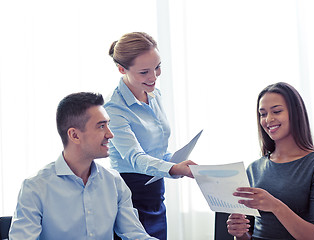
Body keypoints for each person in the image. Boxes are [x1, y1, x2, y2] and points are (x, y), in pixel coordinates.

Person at [9, 92, 157, 240]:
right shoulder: (35, 187)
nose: (110, 134)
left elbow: (135, 235)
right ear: (74, 135)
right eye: (101, 126)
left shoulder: (114, 182)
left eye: (108, 125)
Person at [105, 32, 196, 240]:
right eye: (144, 72)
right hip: (130, 194)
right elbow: (134, 157)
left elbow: (157, 151)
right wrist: (173, 168)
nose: (154, 76)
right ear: (121, 69)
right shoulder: (113, 108)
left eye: (157, 67)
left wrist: (176, 161)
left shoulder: (154, 94)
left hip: (155, 190)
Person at [226, 82, 314, 240]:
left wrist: (275, 206)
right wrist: (240, 233)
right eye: (263, 114)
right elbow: (248, 235)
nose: (268, 119)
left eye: (276, 111)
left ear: (295, 113)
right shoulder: (254, 168)